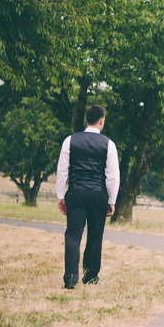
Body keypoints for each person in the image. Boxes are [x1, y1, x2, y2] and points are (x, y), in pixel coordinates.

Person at [56, 105, 120, 289]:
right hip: (98, 195)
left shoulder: (70, 141)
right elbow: (112, 176)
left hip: (76, 193)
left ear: (85, 120)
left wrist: (61, 195)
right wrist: (111, 200)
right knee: (95, 236)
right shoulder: (109, 144)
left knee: (73, 235)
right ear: (102, 121)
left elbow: (62, 171)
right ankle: (90, 276)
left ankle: (70, 278)